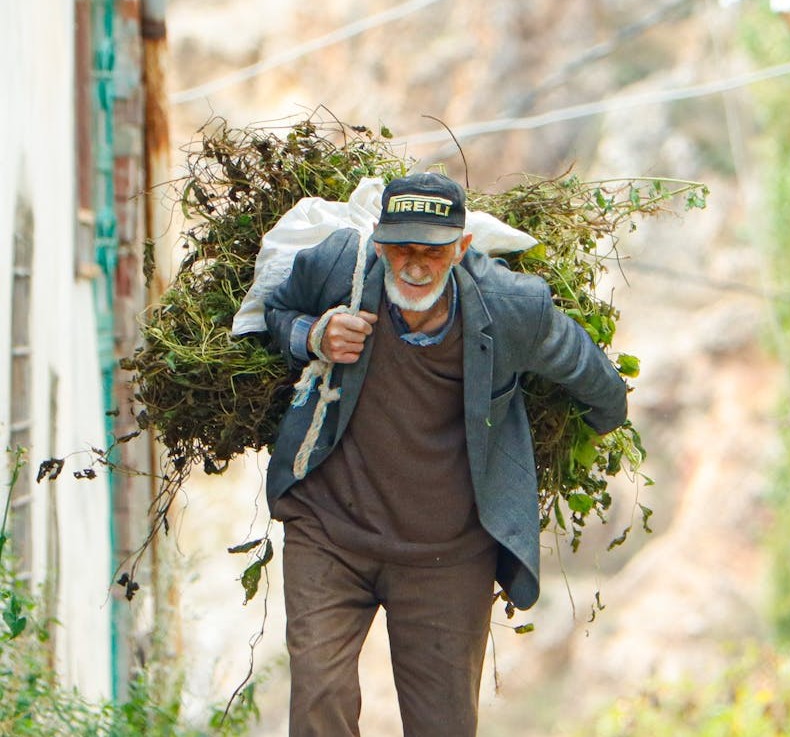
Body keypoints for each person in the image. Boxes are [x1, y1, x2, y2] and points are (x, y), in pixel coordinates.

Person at [263, 172, 628, 737]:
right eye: (402, 248)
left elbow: (595, 377)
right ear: (379, 243)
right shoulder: (340, 266)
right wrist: (314, 334)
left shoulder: (512, 307)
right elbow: (277, 311)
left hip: (447, 556)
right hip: (329, 532)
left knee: (444, 725)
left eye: (432, 251)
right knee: (318, 702)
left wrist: (604, 426)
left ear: (461, 247)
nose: (414, 265)